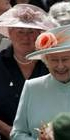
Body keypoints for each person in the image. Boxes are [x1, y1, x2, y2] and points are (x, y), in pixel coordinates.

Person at [10, 24, 70, 140]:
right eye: (54, 60)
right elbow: (17, 133)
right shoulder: (32, 87)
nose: (60, 66)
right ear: (46, 61)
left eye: (65, 59)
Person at [0, 4, 58, 140]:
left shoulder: (52, 63)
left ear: (39, 34)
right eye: (20, 31)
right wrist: (10, 132)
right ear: (10, 32)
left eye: (31, 31)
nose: (26, 37)